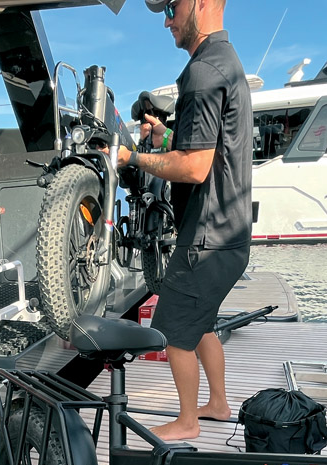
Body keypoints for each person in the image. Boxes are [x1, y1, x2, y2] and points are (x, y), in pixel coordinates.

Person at [111, 0, 253, 441]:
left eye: (171, 7)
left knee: (172, 330)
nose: (167, 20)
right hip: (230, 232)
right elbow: (211, 148)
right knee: (202, 321)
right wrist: (165, 137)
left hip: (207, 237)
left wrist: (132, 155)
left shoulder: (203, 71)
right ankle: (218, 403)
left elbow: (193, 167)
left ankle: (188, 421)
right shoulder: (227, 64)